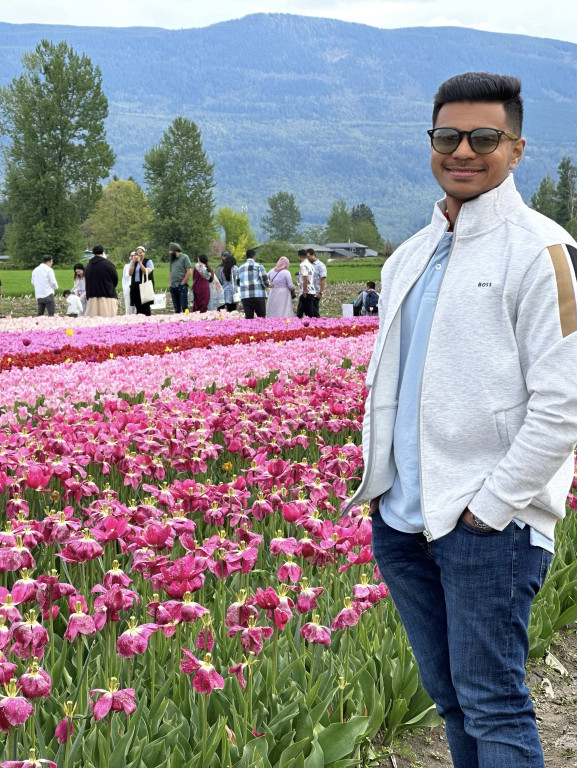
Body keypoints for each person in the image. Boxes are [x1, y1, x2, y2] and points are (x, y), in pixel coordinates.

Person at [348, 72, 577, 768]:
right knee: (450, 699)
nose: (463, 151)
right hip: (402, 521)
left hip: (487, 526)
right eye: (447, 136)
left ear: (516, 148)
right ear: (431, 143)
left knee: (493, 702)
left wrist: (492, 507)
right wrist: (382, 491)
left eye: (483, 137)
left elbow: (564, 401)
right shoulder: (409, 256)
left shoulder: (541, 250)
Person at [85, 244, 119, 317]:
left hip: (92, 297)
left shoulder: (88, 266)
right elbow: (115, 279)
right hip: (107, 296)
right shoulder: (108, 264)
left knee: (93, 319)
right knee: (107, 319)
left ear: (93, 253)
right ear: (103, 252)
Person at [238, 249, 269, 319]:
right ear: (254, 256)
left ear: (246, 257)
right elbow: (264, 280)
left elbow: (238, 282)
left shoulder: (240, 268)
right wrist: (269, 285)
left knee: (249, 318)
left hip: (245, 296)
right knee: (261, 317)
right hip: (258, 295)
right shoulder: (259, 266)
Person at [129, 246, 155, 316]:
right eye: (137, 253)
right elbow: (130, 273)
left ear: (144, 253)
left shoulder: (148, 261)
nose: (139, 254)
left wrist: (140, 263)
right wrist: (133, 262)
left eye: (141, 253)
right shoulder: (133, 262)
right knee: (138, 306)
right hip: (135, 286)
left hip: (144, 286)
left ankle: (147, 319)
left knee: (145, 306)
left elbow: (147, 272)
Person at [168, 243, 191, 313]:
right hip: (173, 285)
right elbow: (170, 272)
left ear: (175, 250)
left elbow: (189, 271)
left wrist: (183, 282)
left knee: (184, 306)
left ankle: (187, 318)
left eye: (171, 251)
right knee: (176, 307)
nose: (169, 252)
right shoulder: (172, 260)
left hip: (181, 285)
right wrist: (170, 284)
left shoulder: (185, 257)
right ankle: (177, 319)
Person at [306, 248, 327, 317]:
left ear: (313, 255)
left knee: (314, 312)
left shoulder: (320, 265)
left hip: (315, 293)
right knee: (308, 313)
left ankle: (317, 323)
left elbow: (323, 279)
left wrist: (321, 292)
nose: (307, 258)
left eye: (309, 256)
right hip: (308, 292)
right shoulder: (307, 265)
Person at [296, 249, 315, 319]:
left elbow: (305, 278)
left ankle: (312, 324)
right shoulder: (310, 264)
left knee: (308, 313)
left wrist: (304, 291)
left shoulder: (303, 265)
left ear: (300, 256)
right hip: (311, 290)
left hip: (306, 292)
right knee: (301, 311)